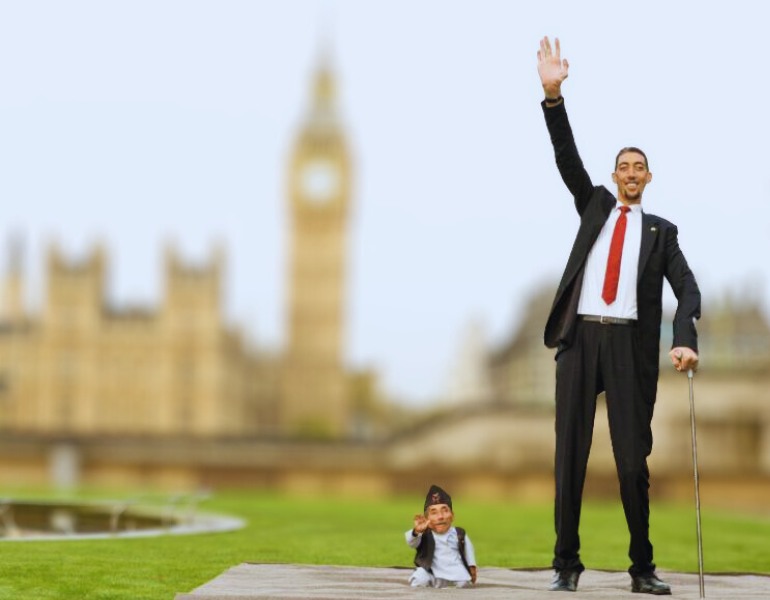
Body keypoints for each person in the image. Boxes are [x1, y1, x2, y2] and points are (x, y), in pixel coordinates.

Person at [536, 37, 701, 595]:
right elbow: (567, 159)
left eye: (640, 168)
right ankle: (566, 565)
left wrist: (683, 337)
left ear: (648, 179)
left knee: (632, 465)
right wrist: (553, 97)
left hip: (629, 347)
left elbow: (686, 287)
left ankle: (641, 568)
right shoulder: (595, 206)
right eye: (623, 166)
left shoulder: (662, 232)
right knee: (570, 460)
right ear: (613, 176)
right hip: (580, 341)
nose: (631, 173)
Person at [405, 484, 478, 588]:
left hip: (455, 570)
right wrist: (416, 531)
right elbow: (412, 543)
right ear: (427, 519)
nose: (440, 517)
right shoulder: (424, 533)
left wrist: (472, 567)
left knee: (464, 583)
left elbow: (468, 550)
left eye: (445, 511)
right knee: (420, 579)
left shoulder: (459, 533)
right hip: (431, 570)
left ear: (452, 516)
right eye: (434, 513)